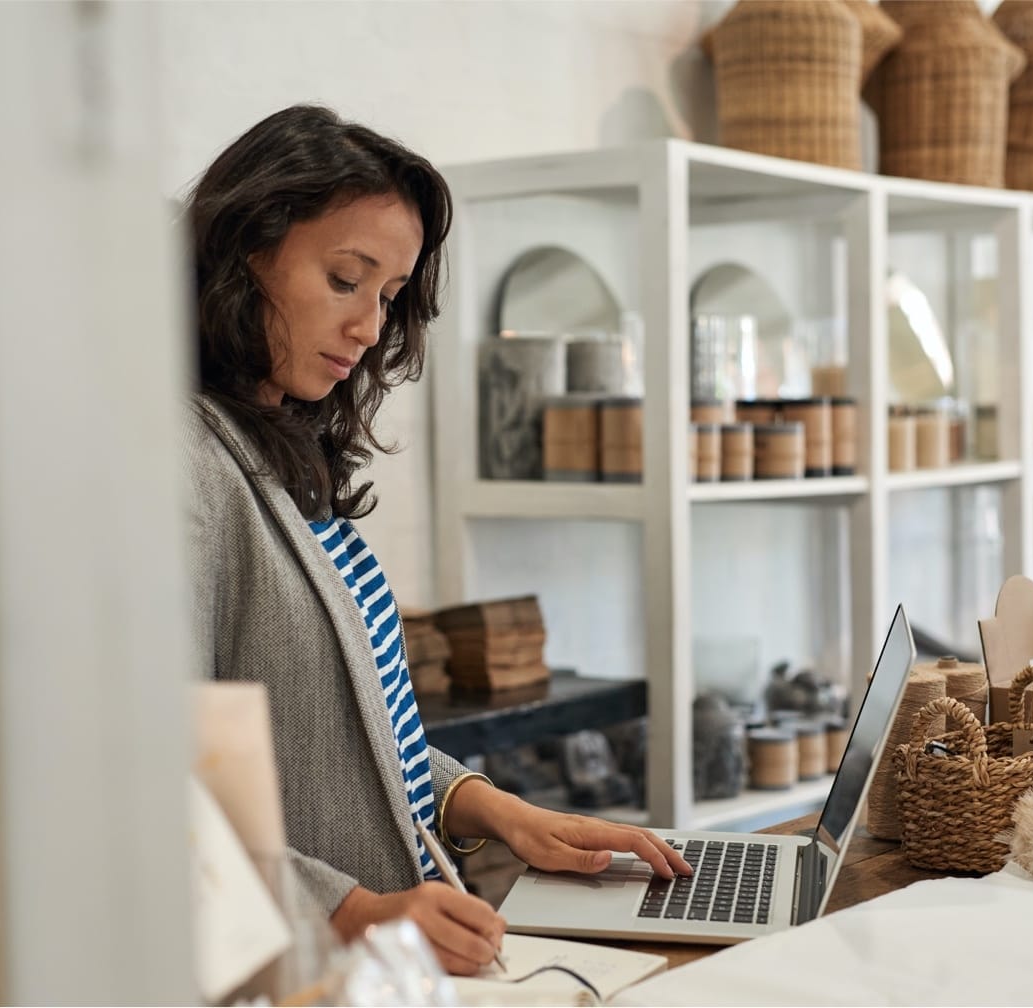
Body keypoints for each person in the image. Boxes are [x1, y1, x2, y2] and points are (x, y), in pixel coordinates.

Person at [181, 104, 689, 977]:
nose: (371, 328)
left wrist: (494, 808)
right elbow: (153, 773)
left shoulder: (276, 441)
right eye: (346, 279)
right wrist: (354, 911)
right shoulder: (179, 464)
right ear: (241, 254)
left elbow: (344, 728)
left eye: (387, 296)